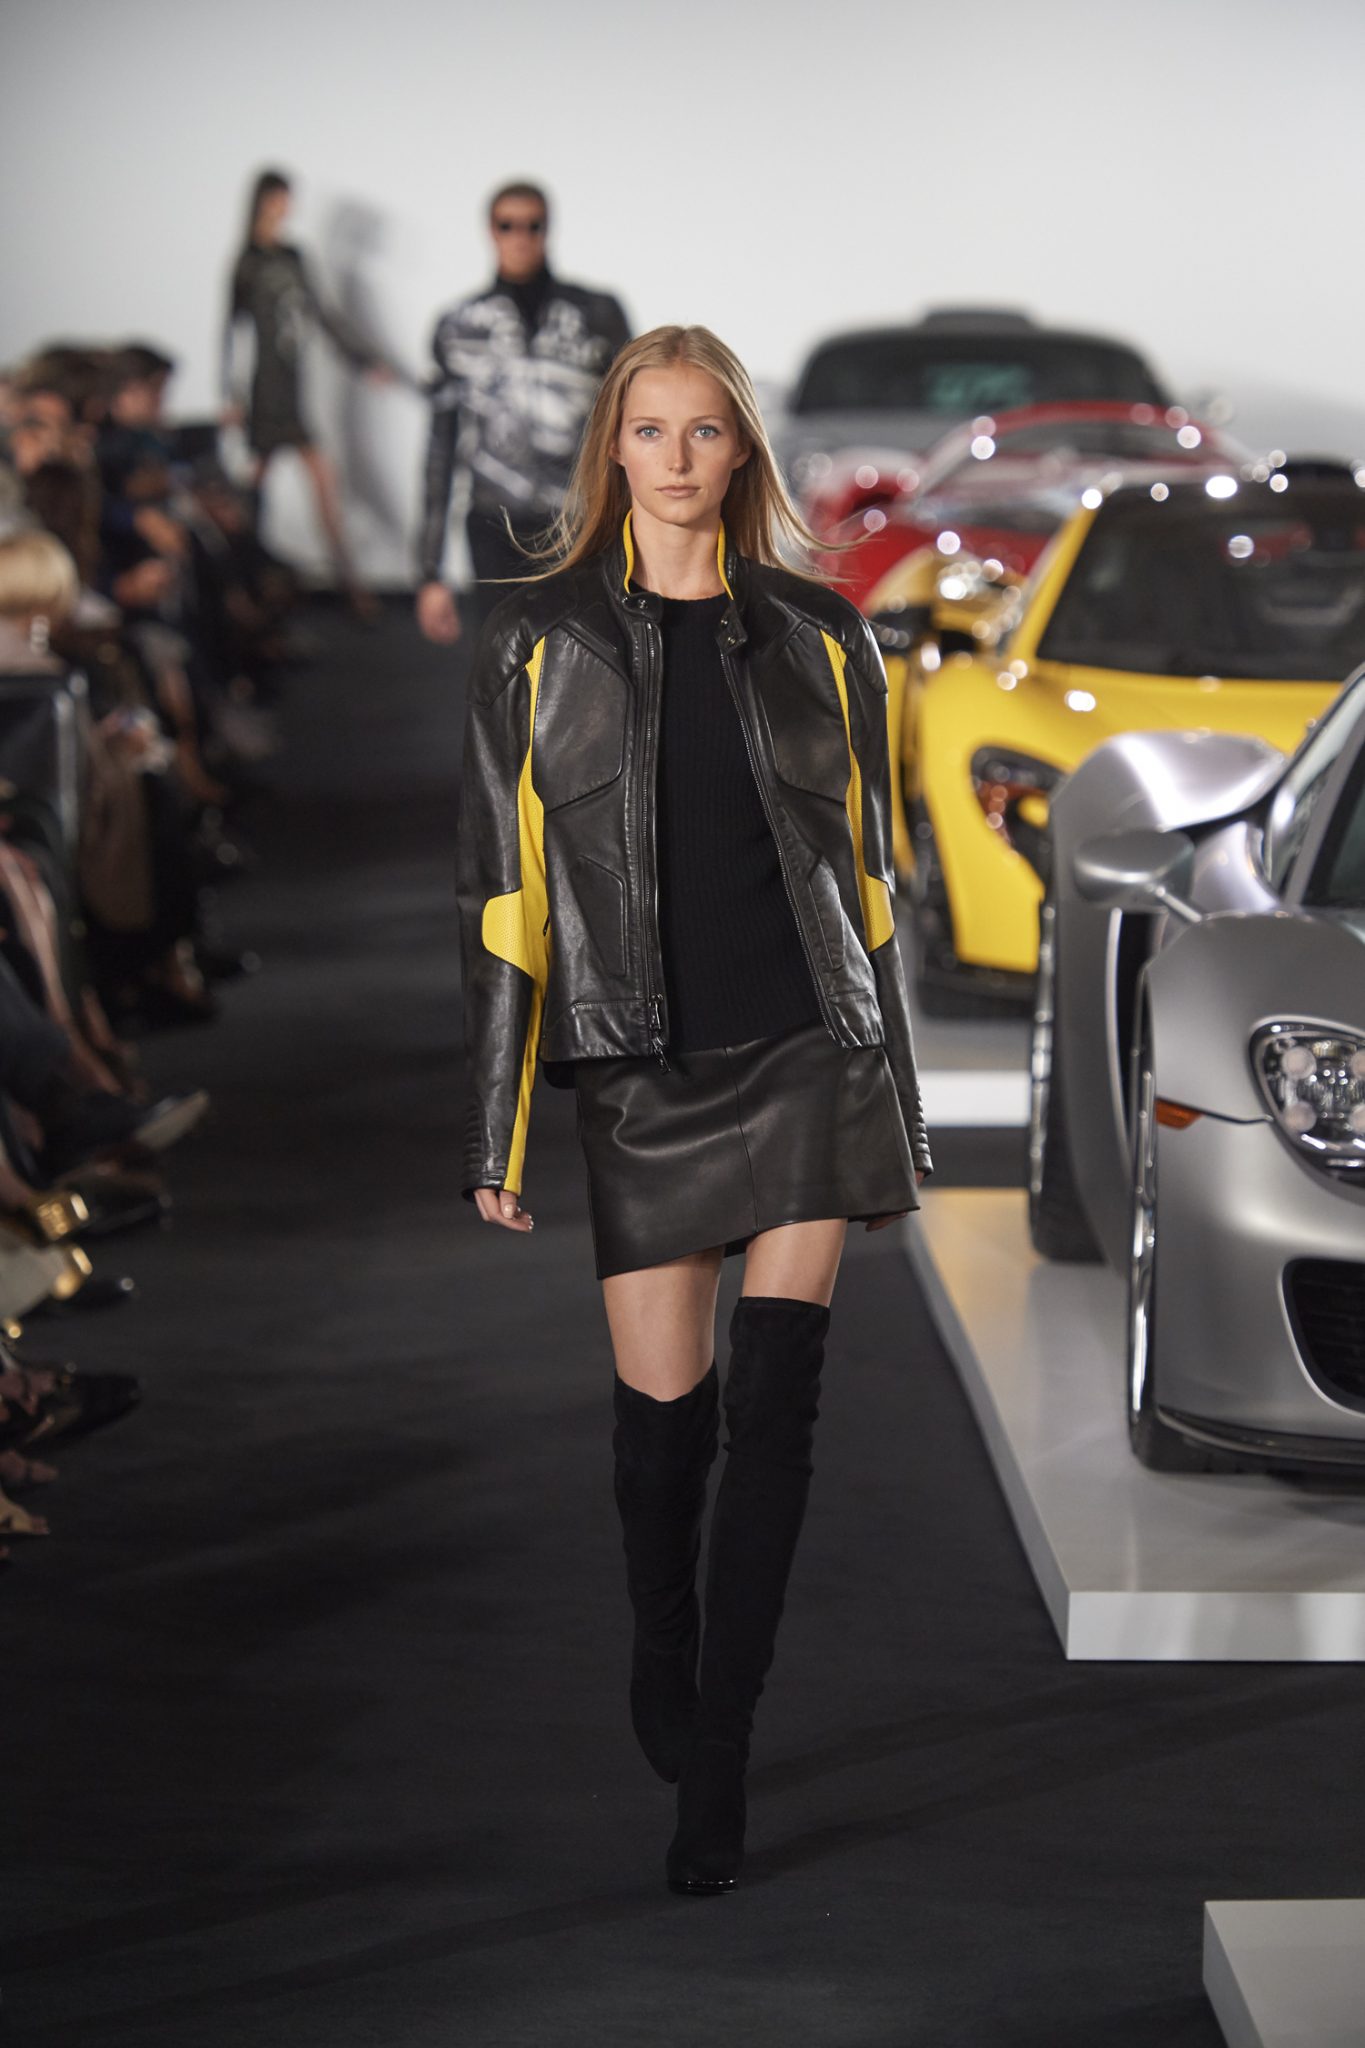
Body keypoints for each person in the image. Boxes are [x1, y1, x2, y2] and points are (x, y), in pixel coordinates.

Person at [456, 325, 932, 1896]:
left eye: (703, 430)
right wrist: (494, 1125)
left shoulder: (822, 635)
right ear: (614, 449)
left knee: (775, 1411)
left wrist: (899, 1104)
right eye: (649, 430)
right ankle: (662, 1639)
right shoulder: (535, 643)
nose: (674, 458)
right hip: (640, 1072)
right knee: (663, 1439)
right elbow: (504, 897)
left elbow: (869, 880)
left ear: (741, 453)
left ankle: (722, 1748)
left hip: (807, 1050)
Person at [415, 181, 629, 645]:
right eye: (507, 225)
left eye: (533, 225)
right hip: (494, 522)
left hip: (577, 520)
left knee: (583, 658)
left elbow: (632, 424)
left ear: (548, 229)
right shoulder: (459, 327)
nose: (521, 237)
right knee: (503, 660)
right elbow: (440, 446)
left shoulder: (599, 315)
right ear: (490, 231)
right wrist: (430, 571)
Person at [223, 169, 390, 616]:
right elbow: (231, 332)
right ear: (264, 201)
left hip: (291, 391)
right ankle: (242, 587)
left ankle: (352, 588)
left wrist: (364, 361)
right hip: (262, 392)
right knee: (251, 496)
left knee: (322, 486)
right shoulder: (247, 263)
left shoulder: (293, 257)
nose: (287, 208)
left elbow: (322, 316)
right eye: (281, 199)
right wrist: (231, 397)